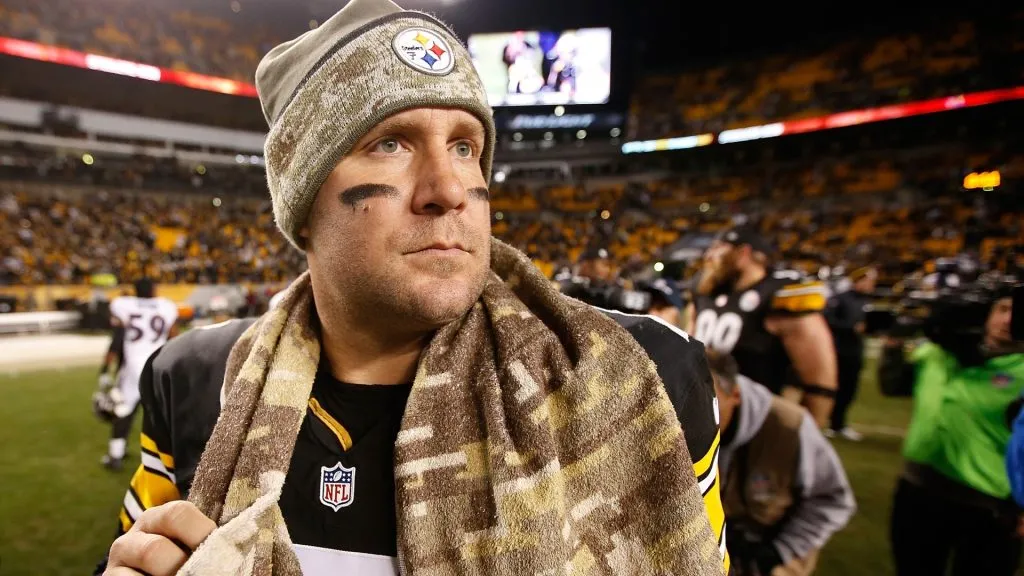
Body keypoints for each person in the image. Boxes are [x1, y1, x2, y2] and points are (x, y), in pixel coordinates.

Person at [100, 1, 726, 574]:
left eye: (465, 147)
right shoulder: (196, 379)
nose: (449, 189)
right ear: (302, 200)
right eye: (390, 144)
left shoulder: (639, 371)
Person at [880, 290, 1023, 575]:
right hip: (918, 489)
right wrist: (893, 345)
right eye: (1003, 309)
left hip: (991, 504)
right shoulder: (937, 353)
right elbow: (893, 386)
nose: (1009, 320)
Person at [707, 350, 854, 576]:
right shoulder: (671, 424)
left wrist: (779, 551)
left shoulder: (790, 426)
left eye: (708, 401)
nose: (694, 413)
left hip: (772, 547)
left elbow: (833, 499)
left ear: (735, 394)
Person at [685, 225, 838, 426]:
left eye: (718, 247)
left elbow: (820, 381)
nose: (709, 255)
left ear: (743, 252)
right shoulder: (708, 290)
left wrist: (803, 432)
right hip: (699, 413)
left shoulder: (780, 293)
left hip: (753, 421)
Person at [93, 277, 178, 471]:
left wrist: (105, 369)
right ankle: (169, 458)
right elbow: (174, 337)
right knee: (162, 416)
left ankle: (115, 455)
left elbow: (118, 337)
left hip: (133, 367)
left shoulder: (123, 305)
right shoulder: (166, 306)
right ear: (154, 290)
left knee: (123, 411)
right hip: (158, 365)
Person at [824, 266, 876, 440]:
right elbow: (828, 320)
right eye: (867, 281)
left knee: (850, 389)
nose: (870, 285)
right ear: (857, 281)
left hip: (855, 350)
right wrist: (850, 328)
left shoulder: (866, 301)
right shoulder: (840, 298)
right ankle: (829, 422)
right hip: (839, 350)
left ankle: (839, 424)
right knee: (834, 388)